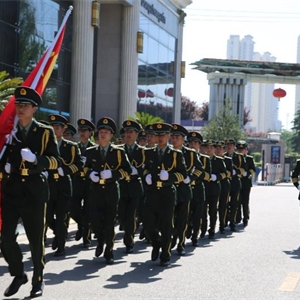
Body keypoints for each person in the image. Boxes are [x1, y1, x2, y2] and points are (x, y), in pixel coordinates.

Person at [1, 87, 60, 298]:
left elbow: (55, 161)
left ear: (35, 109)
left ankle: (38, 279)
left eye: (25, 105)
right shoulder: (10, 132)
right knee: (6, 237)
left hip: (34, 191)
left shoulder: (45, 132)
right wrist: (5, 168)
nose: (20, 108)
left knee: (36, 240)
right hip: (13, 190)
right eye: (18, 104)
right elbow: (3, 157)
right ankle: (18, 274)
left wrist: (37, 160)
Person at [84, 117, 131, 264]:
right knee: (95, 221)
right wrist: (90, 174)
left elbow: (127, 170)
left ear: (111, 135)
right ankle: (100, 241)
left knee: (110, 223)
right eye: (101, 132)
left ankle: (109, 251)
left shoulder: (118, 152)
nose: (103, 134)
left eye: (106, 132)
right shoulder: (91, 151)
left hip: (111, 191)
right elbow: (85, 168)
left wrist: (113, 174)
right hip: (96, 191)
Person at [143, 122, 187, 266]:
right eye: (157, 135)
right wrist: (147, 175)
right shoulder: (149, 152)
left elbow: (182, 174)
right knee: (149, 225)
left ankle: (165, 255)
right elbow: (145, 168)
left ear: (168, 135)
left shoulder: (176, 154)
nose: (160, 137)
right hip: (152, 192)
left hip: (168, 193)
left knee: (166, 225)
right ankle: (157, 242)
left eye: (163, 134)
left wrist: (170, 177)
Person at [46, 114, 83, 256]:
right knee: (49, 217)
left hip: (63, 185)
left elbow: (79, 164)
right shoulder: (46, 145)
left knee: (61, 216)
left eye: (57, 128)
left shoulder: (71, 146)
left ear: (63, 130)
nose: (54, 130)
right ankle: (59, 233)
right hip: (49, 184)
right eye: (52, 128)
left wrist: (65, 170)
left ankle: (61, 246)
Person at [170, 124, 207, 254]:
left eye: (177, 137)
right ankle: (171, 239)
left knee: (182, 218)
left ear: (182, 138)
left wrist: (190, 178)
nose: (174, 139)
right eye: (172, 136)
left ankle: (181, 243)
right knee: (169, 218)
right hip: (169, 190)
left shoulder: (190, 153)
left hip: (184, 191)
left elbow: (200, 169)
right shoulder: (167, 151)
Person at [118, 120, 145, 253]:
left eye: (131, 132)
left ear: (136, 134)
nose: (128, 134)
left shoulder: (143, 151)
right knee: (122, 215)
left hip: (135, 187)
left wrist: (137, 172)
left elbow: (146, 168)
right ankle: (128, 231)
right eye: (126, 132)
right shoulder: (118, 150)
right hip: (121, 186)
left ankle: (129, 241)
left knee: (130, 215)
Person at [70, 118, 95, 247]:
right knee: (73, 209)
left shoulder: (94, 148)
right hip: (77, 180)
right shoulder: (75, 147)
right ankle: (82, 225)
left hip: (90, 181)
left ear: (90, 133)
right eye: (80, 130)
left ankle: (86, 236)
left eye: (85, 130)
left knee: (87, 210)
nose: (82, 133)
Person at [187, 132, 211, 245]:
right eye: (191, 142)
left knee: (198, 215)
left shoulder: (204, 159)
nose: (192, 145)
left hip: (198, 189)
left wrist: (196, 174)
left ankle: (195, 236)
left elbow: (207, 176)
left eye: (195, 143)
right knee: (185, 213)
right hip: (186, 189)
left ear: (199, 145)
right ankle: (187, 228)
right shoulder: (184, 156)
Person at [201, 139, 227, 239]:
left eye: (211, 147)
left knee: (212, 210)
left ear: (214, 149)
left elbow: (224, 173)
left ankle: (211, 229)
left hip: (214, 188)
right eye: (207, 147)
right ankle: (203, 229)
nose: (209, 149)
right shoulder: (201, 159)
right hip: (204, 188)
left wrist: (217, 177)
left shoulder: (219, 160)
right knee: (203, 211)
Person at [224, 138, 247, 231]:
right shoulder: (223, 156)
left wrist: (235, 171)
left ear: (234, 147)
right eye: (227, 145)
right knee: (224, 203)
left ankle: (232, 222)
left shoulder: (239, 156)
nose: (229, 147)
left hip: (235, 182)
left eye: (231, 145)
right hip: (225, 182)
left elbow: (243, 169)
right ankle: (224, 220)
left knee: (234, 203)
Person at [236, 141, 256, 226]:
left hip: (246, 182)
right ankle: (238, 217)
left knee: (245, 201)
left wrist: (247, 173)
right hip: (237, 182)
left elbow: (253, 170)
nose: (241, 151)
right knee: (237, 200)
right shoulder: (235, 158)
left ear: (246, 150)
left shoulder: (249, 158)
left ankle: (246, 217)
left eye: (243, 149)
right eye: (239, 149)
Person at [214, 141, 232, 233]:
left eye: (220, 148)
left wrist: (220, 175)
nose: (218, 150)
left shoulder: (228, 160)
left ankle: (222, 224)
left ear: (224, 149)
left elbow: (229, 173)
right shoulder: (212, 159)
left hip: (224, 184)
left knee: (223, 206)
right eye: (216, 148)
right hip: (213, 185)